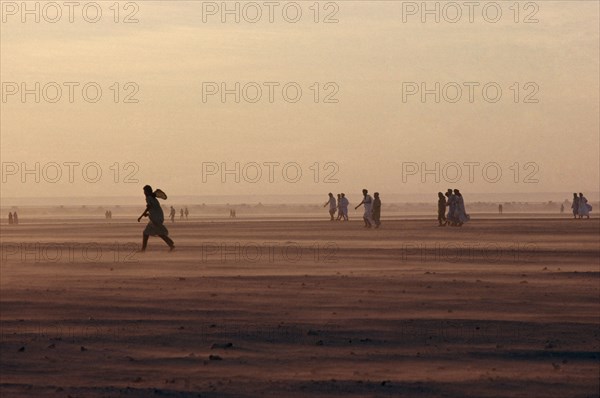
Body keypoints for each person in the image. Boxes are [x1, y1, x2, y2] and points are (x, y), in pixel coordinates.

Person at [137, 185, 174, 251]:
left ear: (147, 191)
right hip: (158, 217)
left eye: (145, 191)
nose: (144, 193)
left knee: (148, 233)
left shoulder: (148, 198)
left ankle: (143, 249)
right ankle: (171, 244)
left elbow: (149, 207)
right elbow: (153, 208)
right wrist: (148, 214)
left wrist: (141, 216)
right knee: (155, 232)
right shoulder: (153, 198)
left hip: (155, 219)